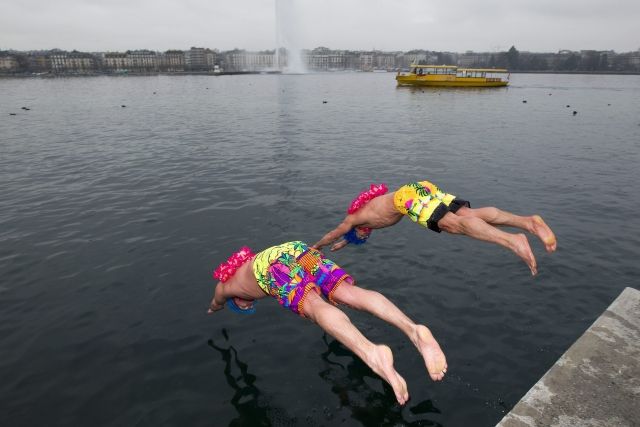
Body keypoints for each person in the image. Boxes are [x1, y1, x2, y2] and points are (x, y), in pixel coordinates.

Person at [208, 241, 447, 405]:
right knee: (348, 293)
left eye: (243, 306)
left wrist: (213, 308)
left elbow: (216, 302)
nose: (247, 305)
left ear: (236, 301)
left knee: (314, 306)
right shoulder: (245, 265)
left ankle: (372, 353)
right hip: (295, 248)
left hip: (271, 268)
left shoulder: (225, 288)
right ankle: (413, 329)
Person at [313, 181, 557, 276]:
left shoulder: (353, 219)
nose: (363, 235)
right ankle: (528, 222)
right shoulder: (368, 217)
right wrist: (345, 242)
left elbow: (333, 233)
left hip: (407, 199)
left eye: (358, 236)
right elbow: (347, 236)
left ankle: (513, 240)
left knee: (454, 225)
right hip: (420, 187)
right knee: (470, 214)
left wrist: (316, 247)